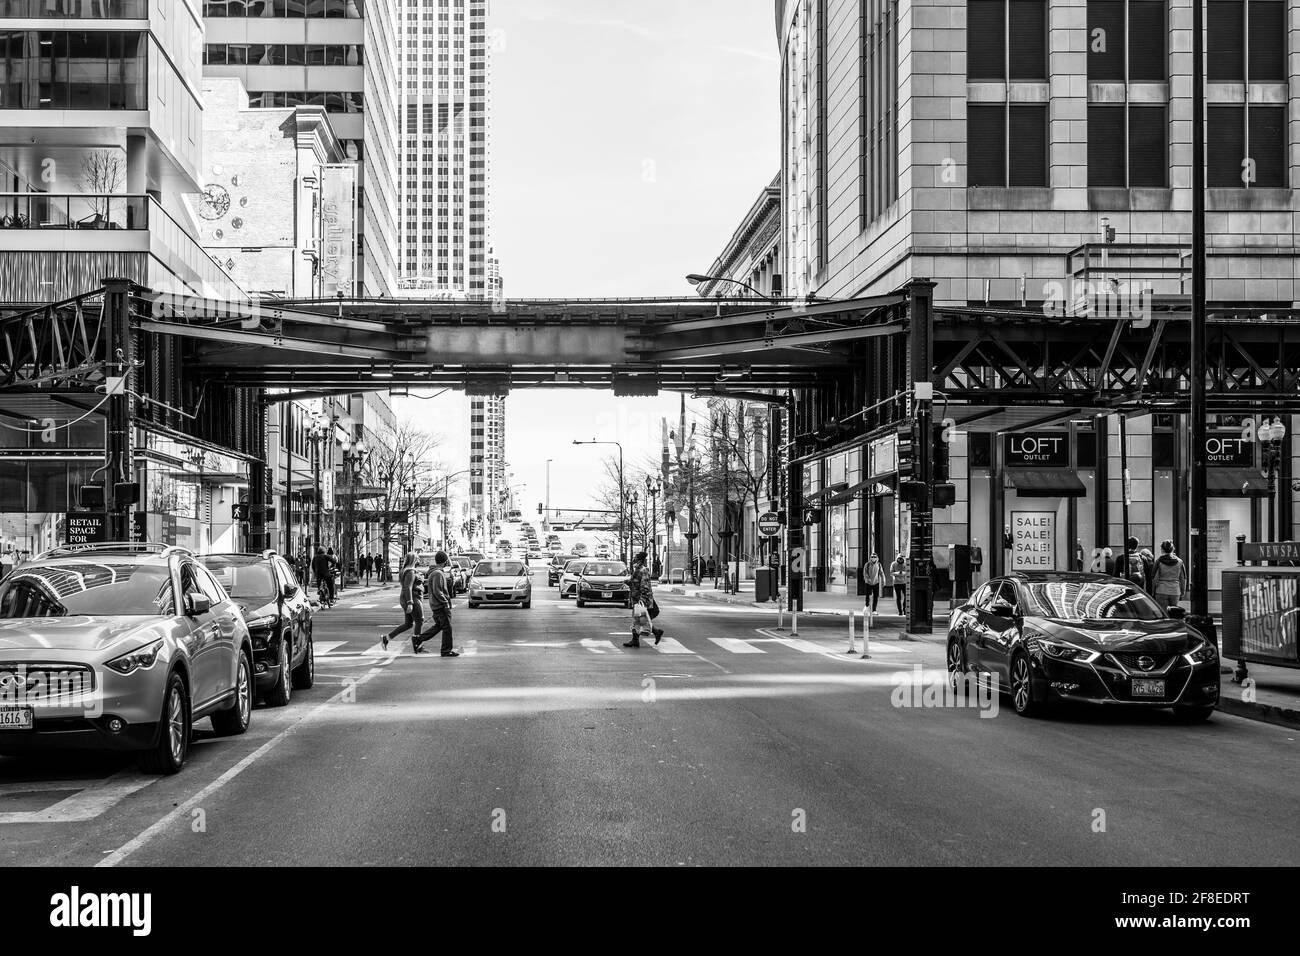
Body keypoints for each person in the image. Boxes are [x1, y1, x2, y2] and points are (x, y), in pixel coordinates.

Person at [383, 552, 423, 651]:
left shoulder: (406, 570)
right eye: (417, 559)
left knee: (408, 624)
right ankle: (417, 645)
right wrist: (410, 603)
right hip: (413, 598)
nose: (418, 561)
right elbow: (408, 587)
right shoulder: (410, 572)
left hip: (407, 598)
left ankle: (386, 638)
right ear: (414, 560)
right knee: (419, 620)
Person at [422, 550, 458, 657]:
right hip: (440, 605)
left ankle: (418, 639)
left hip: (436, 604)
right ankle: (446, 650)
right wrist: (445, 602)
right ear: (445, 561)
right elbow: (438, 591)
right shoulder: (438, 573)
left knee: (439, 626)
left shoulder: (435, 572)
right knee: (447, 628)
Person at [1151, 540, 1188, 609]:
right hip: (1175, 590)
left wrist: (1153, 591)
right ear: (1173, 549)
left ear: (1162, 549)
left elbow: (1154, 578)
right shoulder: (1180, 562)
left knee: (1163, 612)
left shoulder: (1159, 561)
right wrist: (1183, 591)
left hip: (1161, 590)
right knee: (1173, 612)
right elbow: (1183, 578)